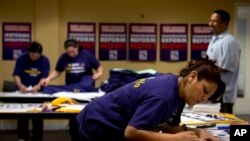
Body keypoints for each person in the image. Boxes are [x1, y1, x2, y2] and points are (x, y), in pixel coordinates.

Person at [76, 57, 226, 141]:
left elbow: (167, 126)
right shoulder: (163, 96)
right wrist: (176, 139)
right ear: (192, 77)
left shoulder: (180, 91)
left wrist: (196, 132)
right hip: (93, 126)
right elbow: (132, 132)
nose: (204, 98)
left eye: (209, 96)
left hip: (112, 125)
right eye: (205, 90)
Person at [41, 39, 103, 141]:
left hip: (85, 90)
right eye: (68, 52)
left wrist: (98, 74)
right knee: (73, 118)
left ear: (77, 47)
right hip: (71, 91)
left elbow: (99, 67)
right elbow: (57, 71)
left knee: (85, 116)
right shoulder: (63, 57)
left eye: (73, 52)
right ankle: (74, 138)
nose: (71, 54)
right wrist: (48, 79)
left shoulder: (87, 55)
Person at [13, 41, 50, 141]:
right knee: (22, 115)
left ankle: (37, 137)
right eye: (31, 55)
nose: (33, 57)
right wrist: (20, 84)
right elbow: (16, 74)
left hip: (37, 92)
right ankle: (22, 137)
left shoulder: (44, 60)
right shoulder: (22, 58)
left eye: (36, 56)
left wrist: (37, 86)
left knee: (38, 116)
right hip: (22, 92)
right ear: (29, 52)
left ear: (40, 54)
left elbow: (45, 77)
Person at [206, 9, 241, 114]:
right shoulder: (215, 39)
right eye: (210, 20)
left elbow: (225, 67)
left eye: (214, 21)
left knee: (226, 127)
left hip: (224, 95)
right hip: (214, 91)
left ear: (225, 23)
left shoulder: (229, 42)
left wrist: (202, 70)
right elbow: (211, 63)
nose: (210, 24)